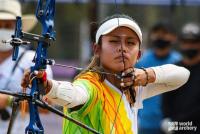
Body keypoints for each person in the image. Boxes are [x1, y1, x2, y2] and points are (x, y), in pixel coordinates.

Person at [21, 14, 190, 134]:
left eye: (130, 43)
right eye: (114, 41)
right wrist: (48, 85)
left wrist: (147, 75)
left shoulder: (134, 88)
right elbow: (74, 94)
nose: (122, 48)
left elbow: (182, 75)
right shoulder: (90, 85)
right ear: (97, 49)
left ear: (138, 54)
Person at [0, 0, 53, 133]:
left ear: (18, 28)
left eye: (7, 25)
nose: (2, 30)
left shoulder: (31, 60)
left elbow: (46, 106)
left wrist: (8, 100)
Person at [136, 21, 182, 134]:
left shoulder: (179, 62)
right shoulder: (142, 60)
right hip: (146, 123)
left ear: (173, 37)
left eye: (164, 33)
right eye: (156, 33)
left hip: (172, 123)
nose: (160, 37)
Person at [162, 22, 200, 134]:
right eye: (186, 42)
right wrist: (167, 120)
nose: (189, 46)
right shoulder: (173, 69)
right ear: (180, 44)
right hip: (176, 128)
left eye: (194, 42)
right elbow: (166, 99)